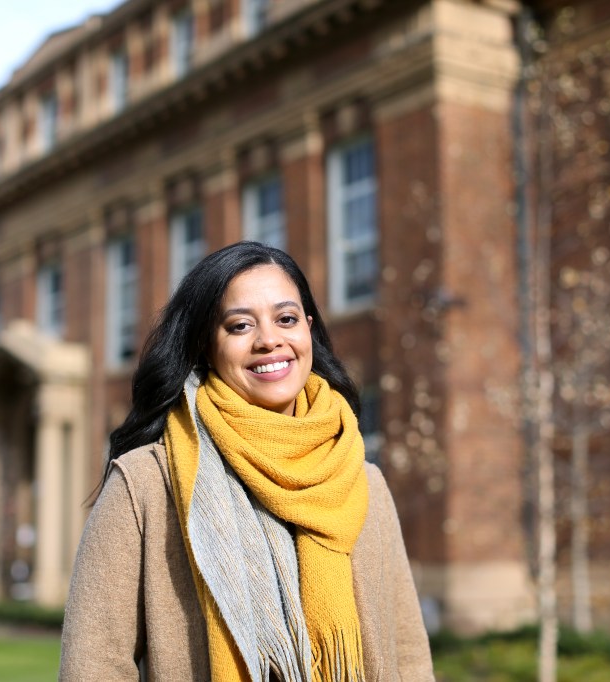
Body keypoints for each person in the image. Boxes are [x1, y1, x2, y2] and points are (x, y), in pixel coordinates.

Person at [59, 241, 434, 681]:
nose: (269, 340)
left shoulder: (363, 482)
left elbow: (407, 654)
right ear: (205, 347)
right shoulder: (146, 484)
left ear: (308, 330)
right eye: (239, 326)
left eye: (287, 319)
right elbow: (94, 663)